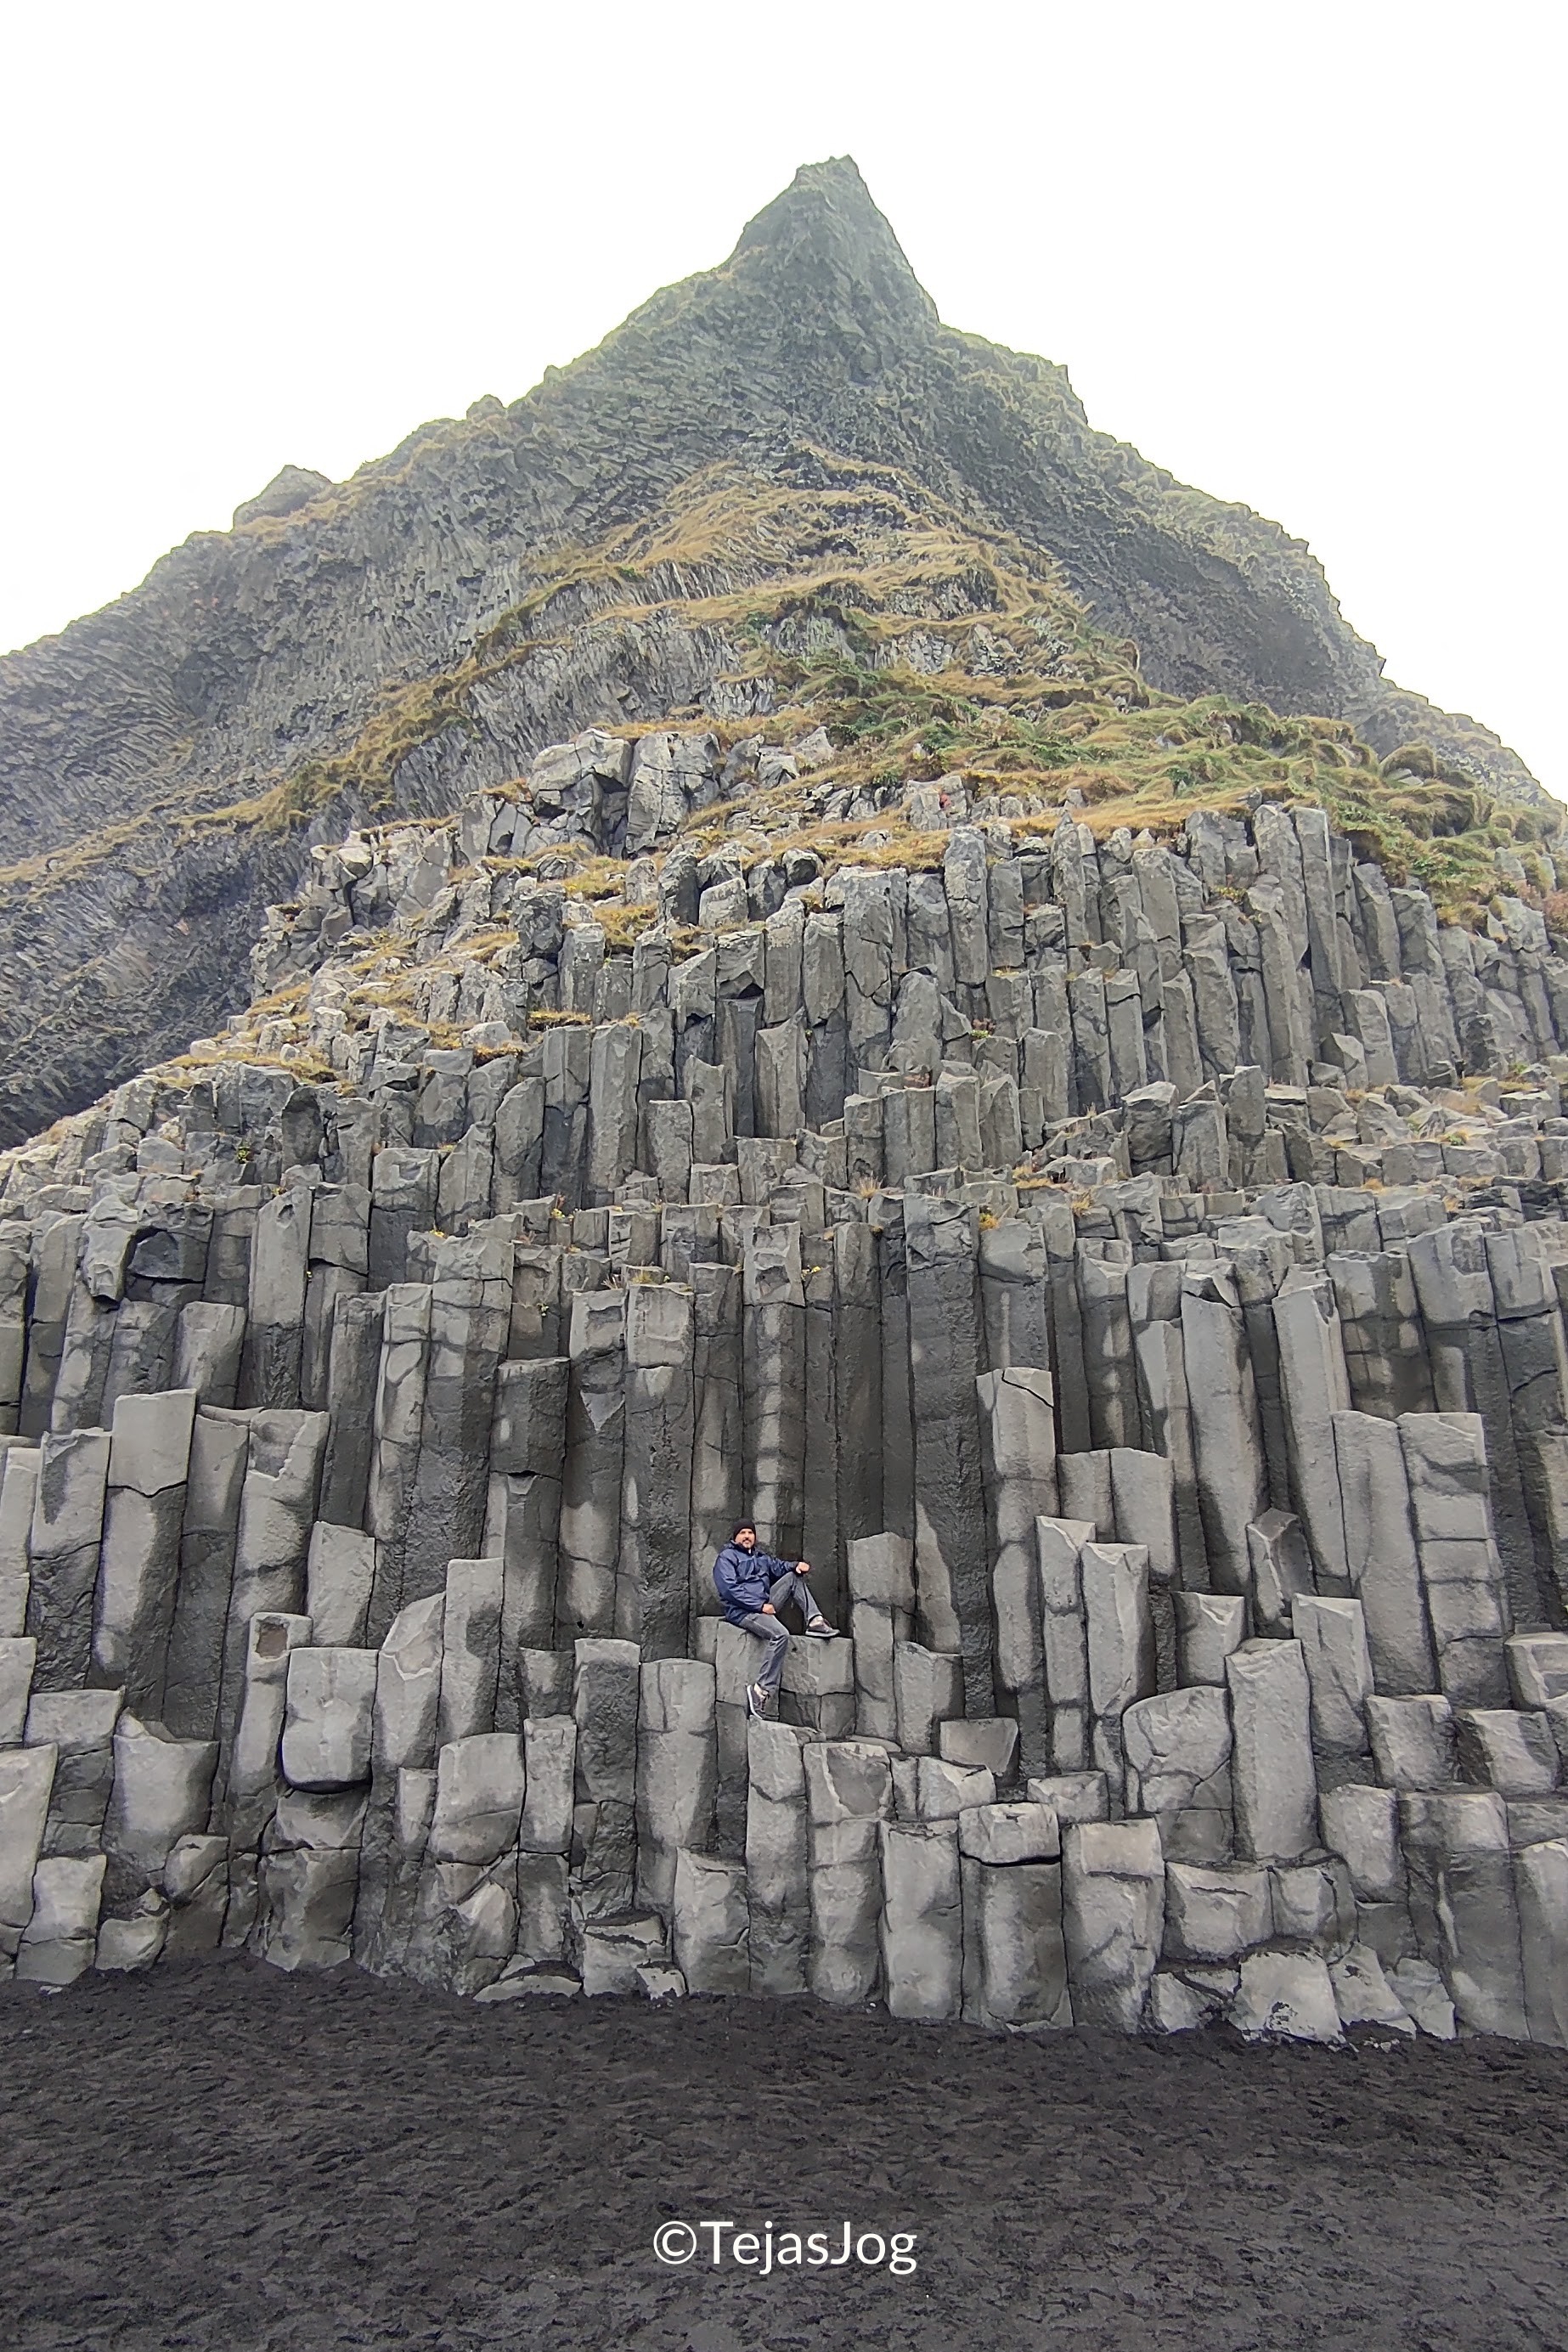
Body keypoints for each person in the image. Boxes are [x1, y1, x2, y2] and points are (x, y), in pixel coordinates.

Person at [712, 1520, 838, 1719]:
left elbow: (778, 1567)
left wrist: (796, 1566)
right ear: (735, 1537)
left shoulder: (760, 1557)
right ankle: (760, 1690)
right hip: (743, 1611)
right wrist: (759, 1606)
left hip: (764, 1604)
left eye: (750, 1533)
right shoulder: (727, 1558)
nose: (747, 1536)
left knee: (792, 1578)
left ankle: (815, 1621)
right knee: (780, 1635)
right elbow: (729, 1590)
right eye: (743, 1533)